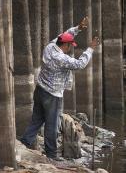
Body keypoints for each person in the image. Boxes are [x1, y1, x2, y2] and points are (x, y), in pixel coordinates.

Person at [18, 17, 99, 160]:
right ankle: (51, 154)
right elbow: (80, 64)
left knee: (37, 119)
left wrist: (78, 28)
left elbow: (64, 34)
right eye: (70, 46)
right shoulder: (61, 59)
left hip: (40, 90)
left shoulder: (50, 46)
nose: (71, 48)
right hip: (52, 95)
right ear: (66, 45)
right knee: (52, 124)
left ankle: (24, 142)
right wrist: (90, 48)